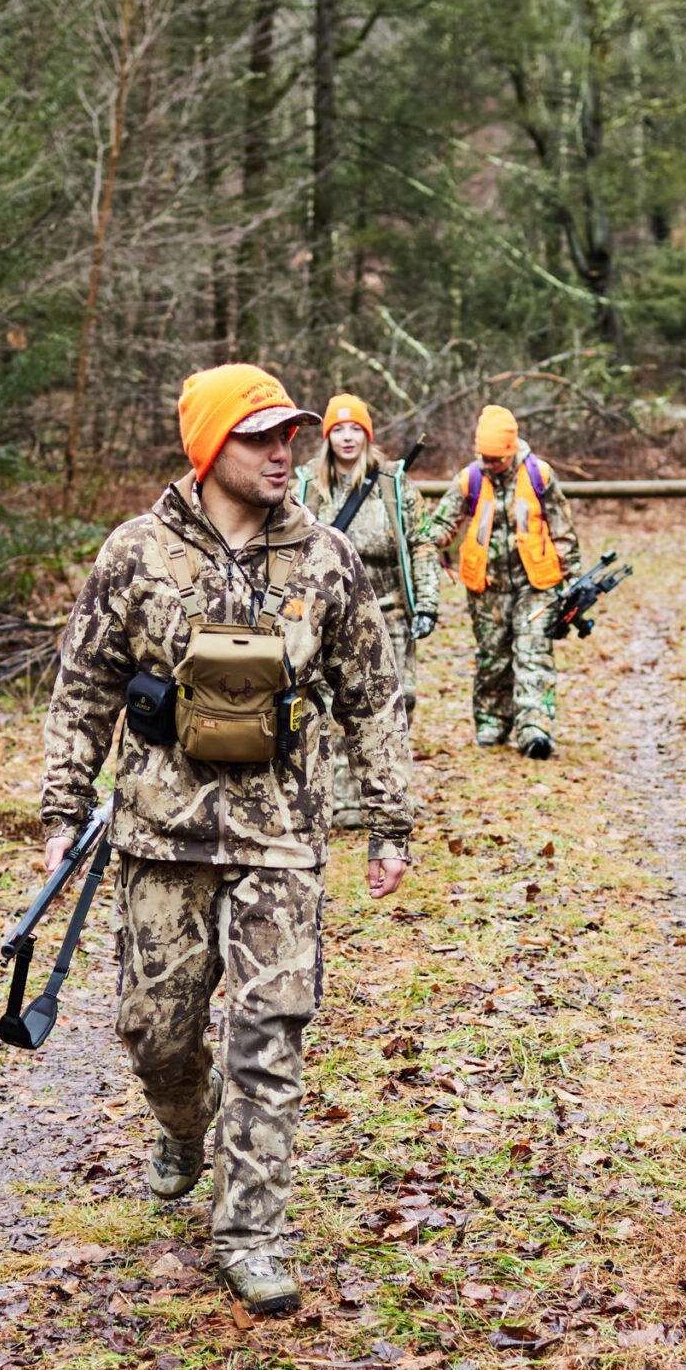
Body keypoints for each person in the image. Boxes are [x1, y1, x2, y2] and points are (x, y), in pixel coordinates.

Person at [34, 363, 412, 1317]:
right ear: (209, 447)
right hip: (160, 832)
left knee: (269, 1031)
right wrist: (62, 809)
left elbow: (374, 694)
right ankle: (184, 1120)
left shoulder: (327, 558)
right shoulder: (136, 553)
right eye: (260, 436)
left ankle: (250, 1233)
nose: (284, 451)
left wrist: (389, 820)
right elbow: (83, 683)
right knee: (154, 1033)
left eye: (290, 435)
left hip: (281, 834)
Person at [292, 395, 442, 826]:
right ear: (327, 437)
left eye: (355, 429)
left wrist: (427, 603)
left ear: (367, 435)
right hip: (329, 617)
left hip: (389, 613)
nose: (347, 437)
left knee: (396, 703)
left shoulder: (394, 484)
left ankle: (386, 797)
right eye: (338, 429)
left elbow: (422, 543)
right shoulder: (306, 486)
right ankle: (340, 799)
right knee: (331, 703)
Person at [418, 405, 579, 759]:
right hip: (487, 588)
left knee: (533, 653)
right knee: (493, 658)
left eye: (497, 459)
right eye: (485, 457)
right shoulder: (469, 479)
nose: (490, 464)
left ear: (511, 449)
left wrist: (573, 578)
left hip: (536, 585)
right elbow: (442, 526)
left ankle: (535, 729)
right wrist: (421, 535)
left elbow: (563, 531)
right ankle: (492, 723)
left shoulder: (540, 475)